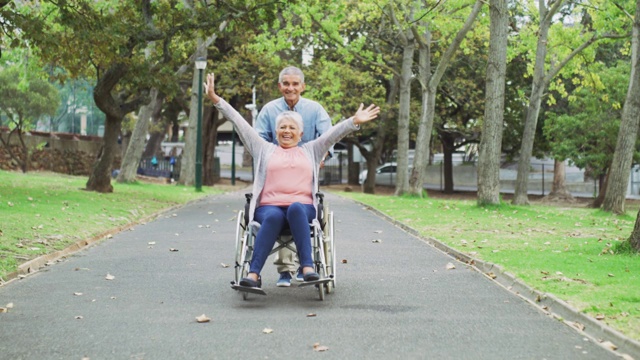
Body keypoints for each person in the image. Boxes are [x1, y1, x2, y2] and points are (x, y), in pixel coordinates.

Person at [204, 72, 380, 289]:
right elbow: (239, 122)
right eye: (282, 128)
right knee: (273, 216)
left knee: (296, 207)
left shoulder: (311, 150)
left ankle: (307, 268)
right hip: (269, 208)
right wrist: (215, 98)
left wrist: (354, 121)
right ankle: (253, 275)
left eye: (292, 128)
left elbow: (334, 134)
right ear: (276, 131)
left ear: (301, 133)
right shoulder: (263, 149)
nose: (287, 131)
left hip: (302, 209)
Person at [255, 66, 333, 287]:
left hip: (303, 174)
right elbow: (259, 139)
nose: (291, 88)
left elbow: (328, 138)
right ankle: (285, 270)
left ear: (303, 86)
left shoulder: (315, 110)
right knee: (276, 212)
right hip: (276, 176)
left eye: (295, 84)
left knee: (297, 208)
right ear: (280, 86)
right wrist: (278, 158)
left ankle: (305, 264)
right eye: (286, 84)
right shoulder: (269, 111)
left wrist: (317, 156)